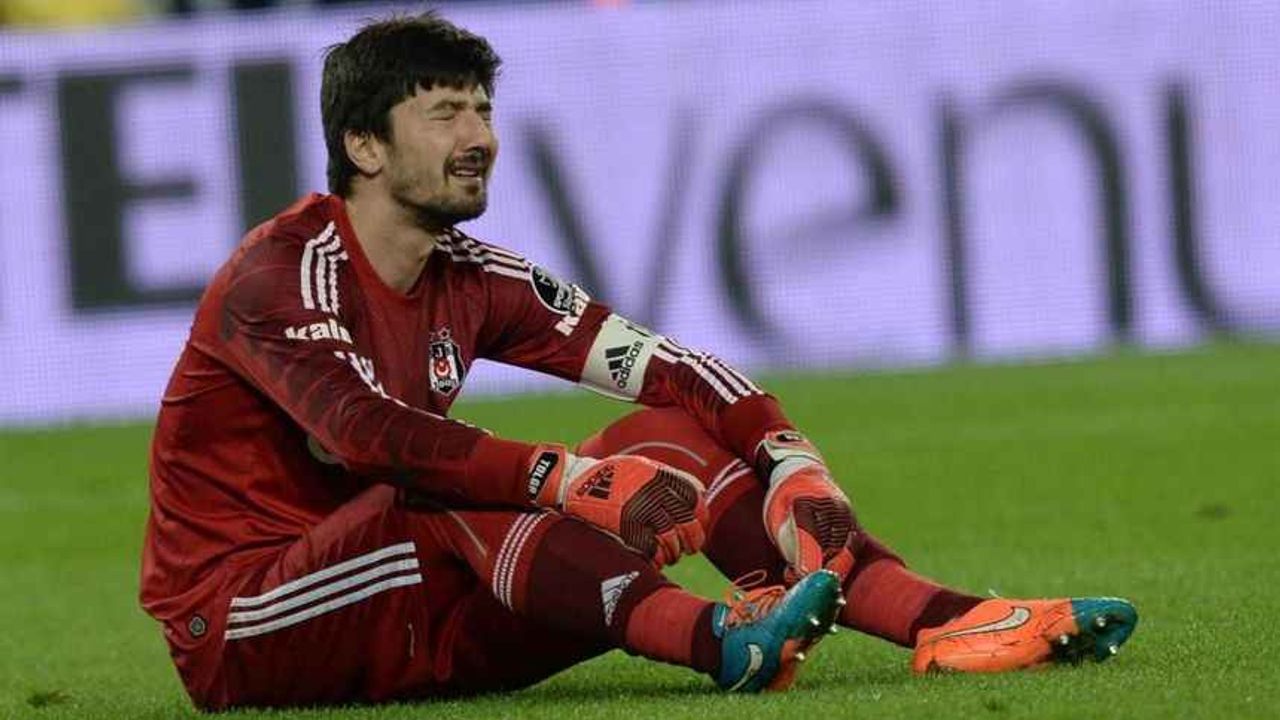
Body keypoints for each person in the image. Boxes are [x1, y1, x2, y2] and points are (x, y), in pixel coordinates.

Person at [139, 11, 1136, 711]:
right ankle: (721, 642)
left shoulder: (473, 275)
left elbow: (668, 366)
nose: (480, 138)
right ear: (363, 146)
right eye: (445, 114)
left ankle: (948, 622)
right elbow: (365, 436)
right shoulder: (280, 274)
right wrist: (564, 478)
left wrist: (789, 456)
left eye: (483, 111)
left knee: (666, 430)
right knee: (446, 480)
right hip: (247, 626)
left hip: (418, 613)